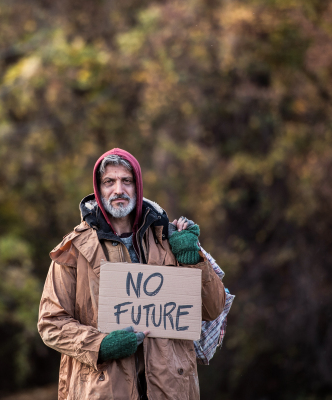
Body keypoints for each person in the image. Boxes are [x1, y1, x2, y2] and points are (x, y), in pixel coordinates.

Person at [37, 148, 226, 400]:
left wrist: (192, 259)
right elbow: (51, 323)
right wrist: (100, 345)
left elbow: (213, 308)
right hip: (102, 390)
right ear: (98, 189)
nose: (118, 190)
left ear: (138, 187)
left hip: (172, 390)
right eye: (109, 182)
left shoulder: (169, 237)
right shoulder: (75, 250)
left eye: (127, 181)